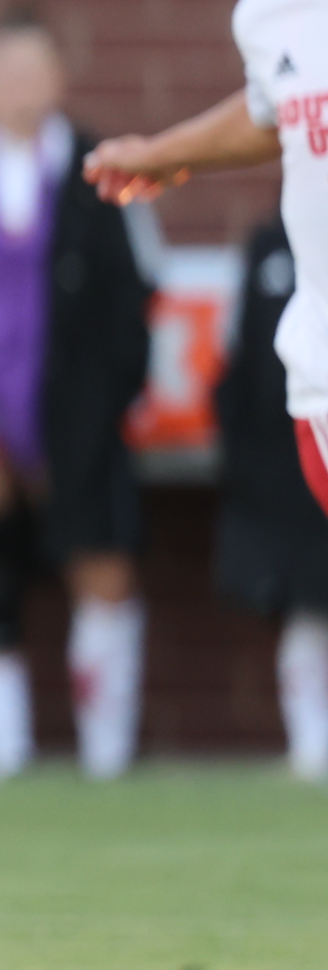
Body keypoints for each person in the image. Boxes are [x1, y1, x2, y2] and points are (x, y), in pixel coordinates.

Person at [0, 9, 153, 779]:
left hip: (77, 415)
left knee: (101, 568)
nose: (20, 86)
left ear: (60, 80)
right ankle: (5, 758)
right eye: (6, 71)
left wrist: (105, 404)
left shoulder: (103, 174)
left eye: (34, 70)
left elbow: (133, 301)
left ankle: (106, 758)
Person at [210, 208, 328, 781]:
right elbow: (238, 361)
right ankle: (310, 748)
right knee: (306, 603)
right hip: (289, 456)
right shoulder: (269, 246)